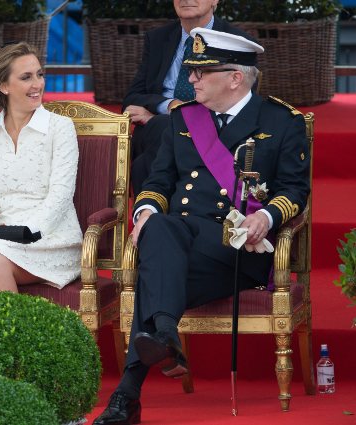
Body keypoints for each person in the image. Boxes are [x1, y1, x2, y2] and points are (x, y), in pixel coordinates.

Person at [93, 28, 310, 425]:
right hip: (180, 239)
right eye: (191, 71)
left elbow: (296, 191)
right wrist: (143, 213)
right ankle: (156, 348)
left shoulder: (281, 121)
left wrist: (266, 216)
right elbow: (157, 183)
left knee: (154, 272)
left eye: (200, 72)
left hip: (238, 249)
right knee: (157, 229)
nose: (190, 79)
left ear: (235, 77)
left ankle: (136, 381)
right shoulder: (183, 119)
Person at [0, 42, 82, 293]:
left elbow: (61, 196)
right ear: (4, 86)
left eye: (39, 75)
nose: (37, 84)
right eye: (26, 77)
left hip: (50, 237)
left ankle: (9, 335)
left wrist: (25, 231)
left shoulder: (60, 127)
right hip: (0, 235)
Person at [125, 0, 252, 194]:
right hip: (160, 126)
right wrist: (169, 106)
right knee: (160, 134)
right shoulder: (158, 38)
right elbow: (132, 97)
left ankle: (150, 212)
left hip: (213, 130)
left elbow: (240, 103)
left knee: (147, 157)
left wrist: (175, 116)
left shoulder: (237, 41)